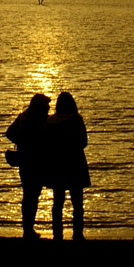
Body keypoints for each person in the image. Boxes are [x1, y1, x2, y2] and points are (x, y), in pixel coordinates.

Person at [6, 93, 50, 239]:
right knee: (33, 195)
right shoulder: (42, 120)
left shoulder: (23, 117)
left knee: (28, 195)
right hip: (37, 162)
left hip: (25, 161)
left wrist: (21, 142)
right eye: (46, 105)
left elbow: (9, 132)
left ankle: (27, 227)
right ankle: (28, 228)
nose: (48, 108)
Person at [46, 91, 90, 241]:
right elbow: (83, 142)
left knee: (58, 202)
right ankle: (78, 233)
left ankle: (57, 234)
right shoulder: (76, 120)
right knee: (77, 202)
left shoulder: (50, 121)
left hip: (57, 164)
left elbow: (46, 144)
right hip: (75, 163)